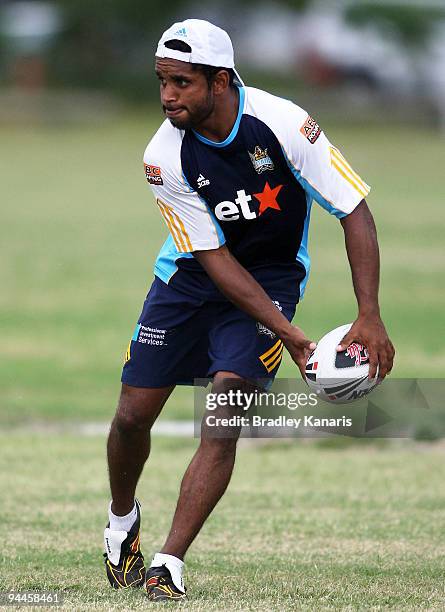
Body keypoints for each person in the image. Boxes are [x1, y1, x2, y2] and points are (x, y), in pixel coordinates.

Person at [103, 18, 395, 602]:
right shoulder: (163, 154)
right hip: (189, 276)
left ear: (220, 80)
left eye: (182, 83)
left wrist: (370, 313)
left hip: (273, 274)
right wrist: (289, 334)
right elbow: (212, 259)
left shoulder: (284, 124)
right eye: (162, 82)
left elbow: (353, 209)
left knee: (225, 407)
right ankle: (121, 523)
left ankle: (168, 563)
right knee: (133, 416)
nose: (167, 97)